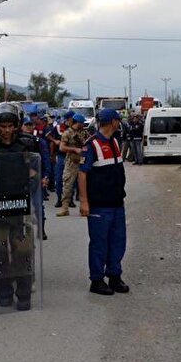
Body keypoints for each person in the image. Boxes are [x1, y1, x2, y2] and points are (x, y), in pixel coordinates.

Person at [0, 102, 42, 311]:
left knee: (23, 252)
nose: (6, 130)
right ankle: (4, 290)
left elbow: (37, 171)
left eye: (10, 126)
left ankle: (23, 293)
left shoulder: (29, 143)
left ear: (16, 125)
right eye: (2, 126)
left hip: (21, 206)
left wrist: (33, 176)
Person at [78, 109, 129, 295]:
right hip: (99, 205)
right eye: (118, 120)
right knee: (99, 244)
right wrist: (84, 201)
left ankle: (114, 276)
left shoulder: (115, 141)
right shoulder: (91, 145)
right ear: (113, 122)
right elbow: (82, 174)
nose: (120, 123)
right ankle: (97, 280)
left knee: (118, 242)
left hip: (116, 203)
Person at [56, 113, 87, 216]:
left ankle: (84, 207)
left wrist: (84, 149)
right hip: (71, 163)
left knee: (84, 186)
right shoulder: (67, 133)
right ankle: (65, 208)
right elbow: (62, 147)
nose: (83, 125)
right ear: (78, 123)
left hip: (83, 162)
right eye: (82, 123)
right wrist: (74, 149)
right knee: (67, 185)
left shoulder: (84, 133)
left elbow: (88, 144)